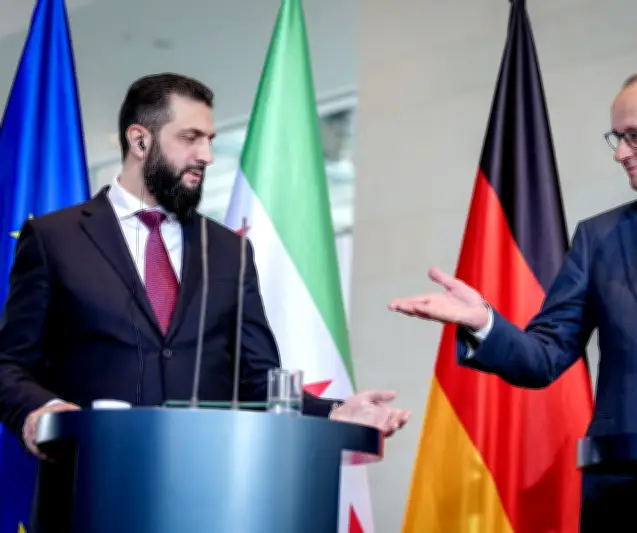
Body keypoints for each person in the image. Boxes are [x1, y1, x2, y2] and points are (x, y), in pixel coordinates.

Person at [389, 67, 637, 531]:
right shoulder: (598, 238)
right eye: (617, 139)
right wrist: (483, 321)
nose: (621, 153)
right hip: (621, 490)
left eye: (635, 136)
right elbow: (544, 356)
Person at [0, 72, 410, 461]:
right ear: (140, 140)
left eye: (210, 140)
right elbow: (10, 364)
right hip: (88, 479)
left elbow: (257, 378)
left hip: (206, 481)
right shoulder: (54, 238)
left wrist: (334, 411)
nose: (208, 156)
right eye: (191, 138)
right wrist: (43, 412)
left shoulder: (230, 250)